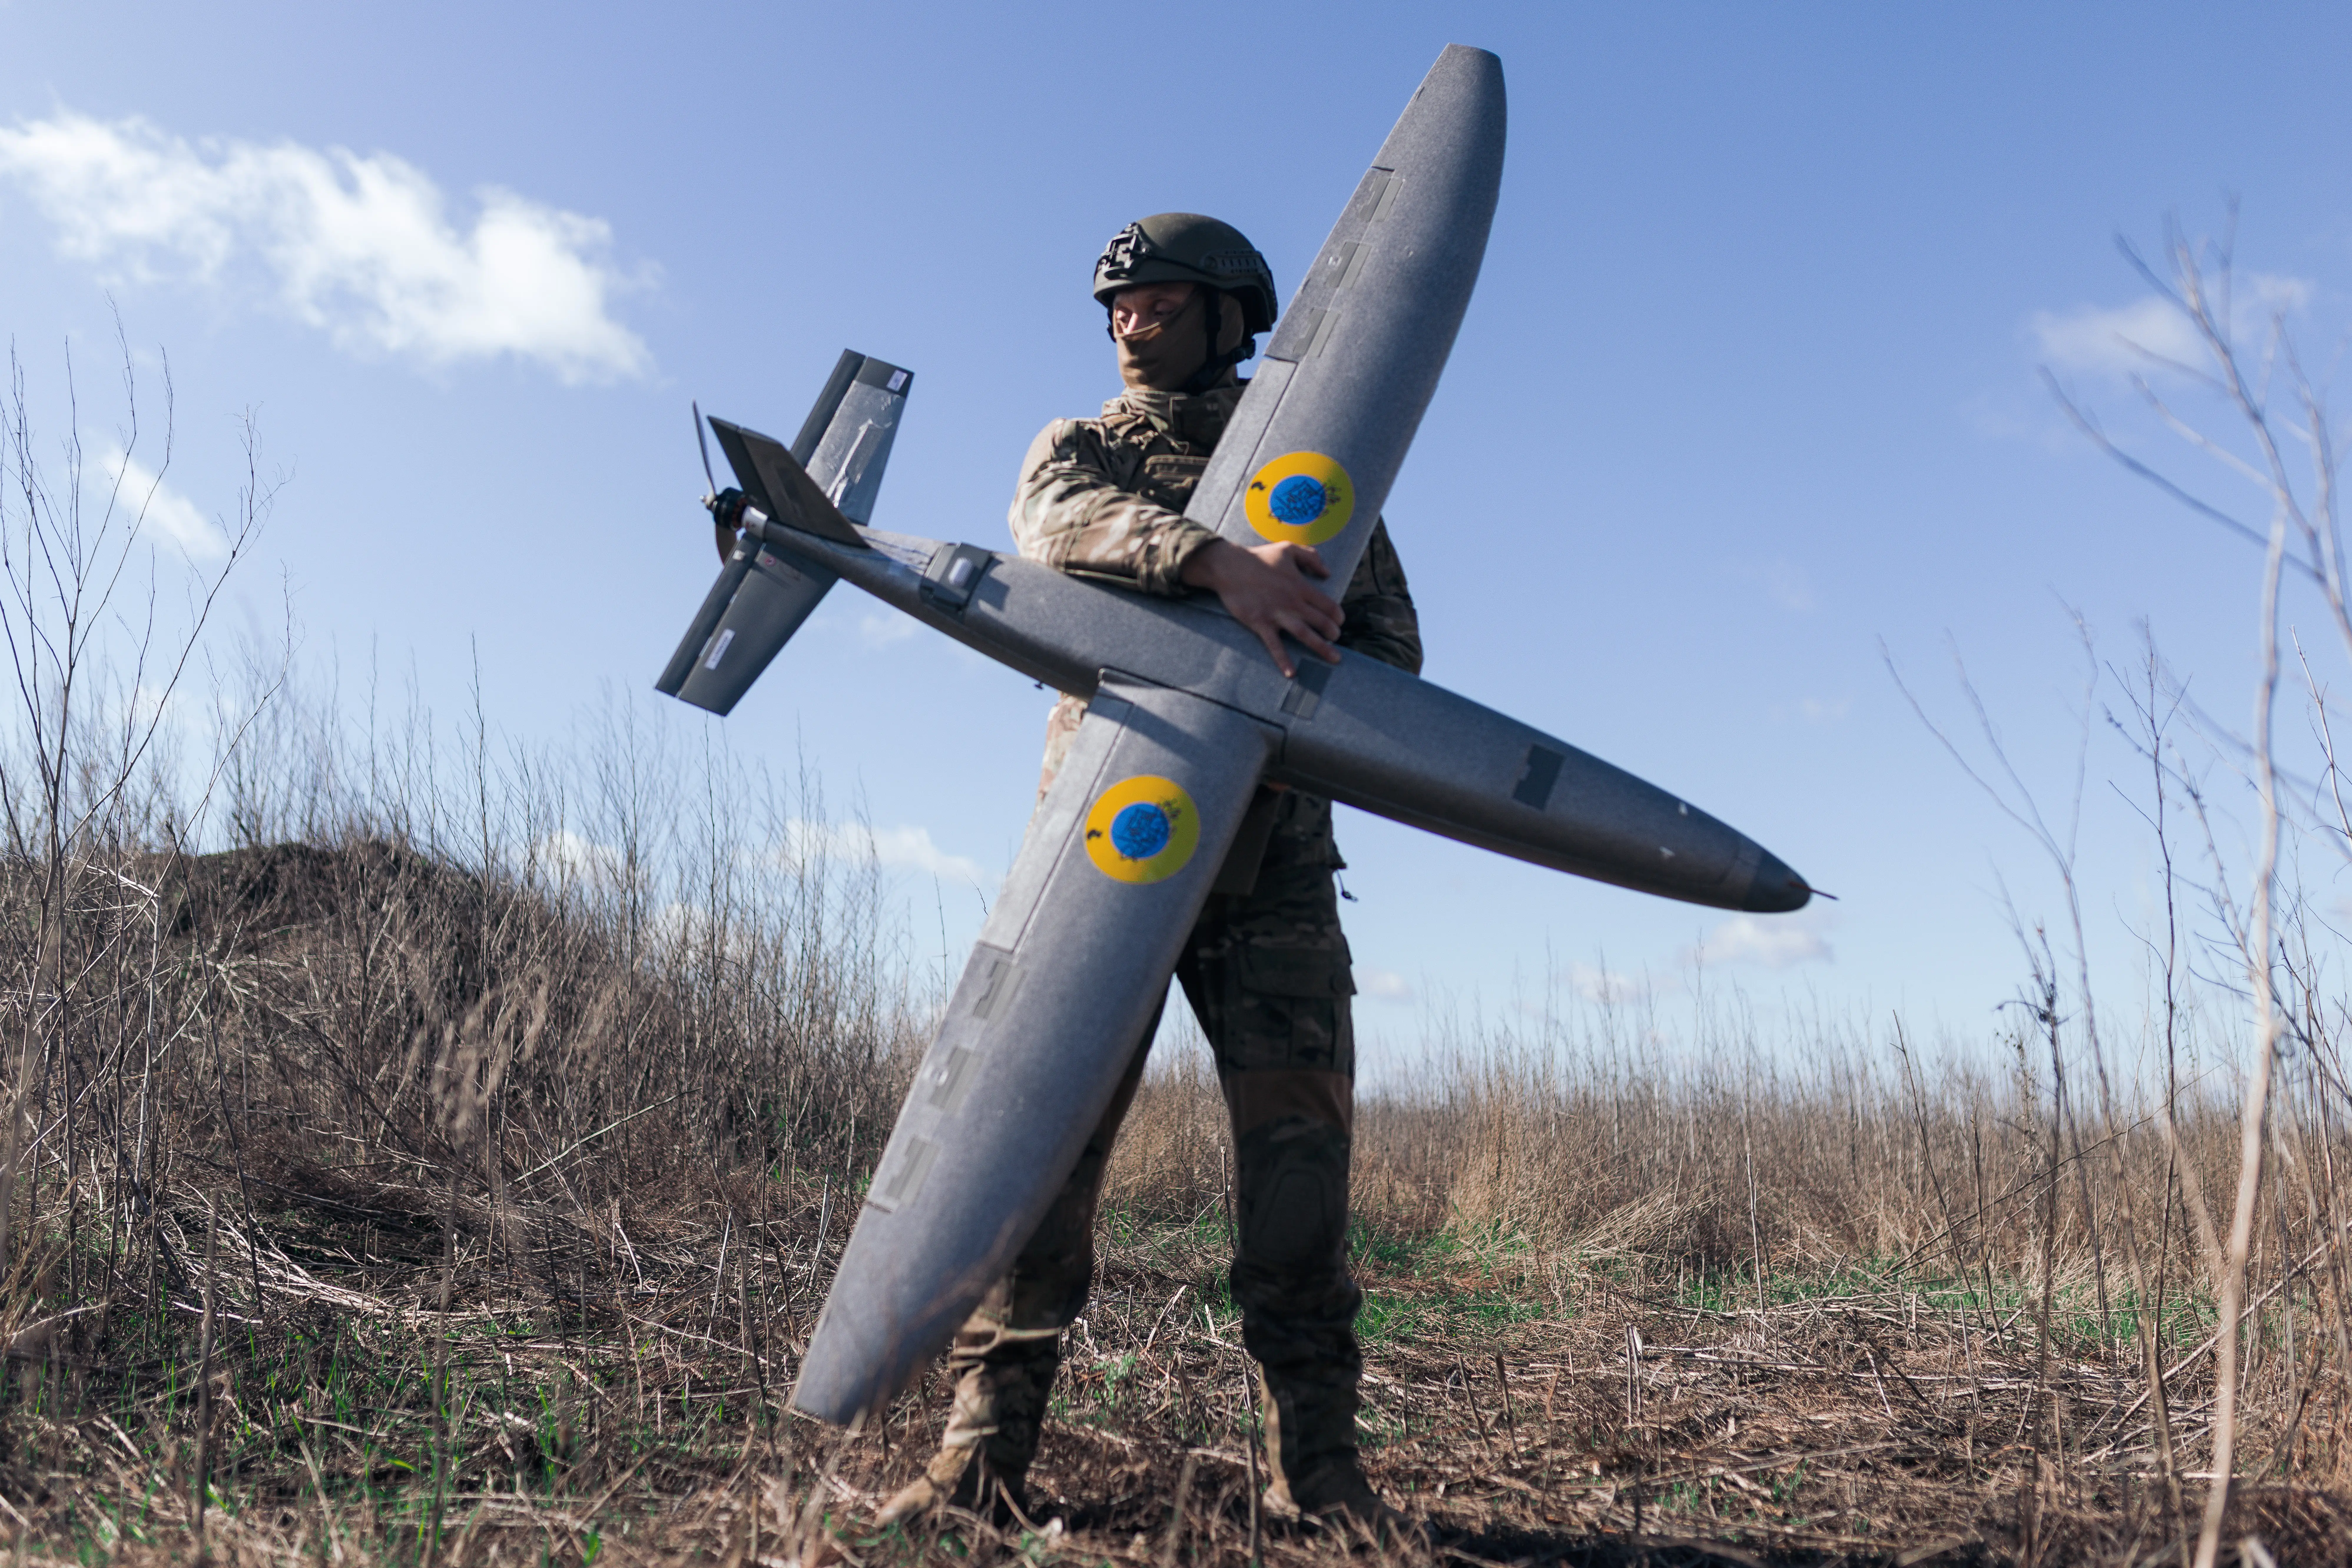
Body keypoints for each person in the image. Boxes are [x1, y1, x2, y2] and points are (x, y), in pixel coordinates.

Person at [877, 213, 1421, 1535]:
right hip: (1107, 849)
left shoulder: (1317, 478)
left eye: (1161, 299)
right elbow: (1052, 525)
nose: (1130, 320)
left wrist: (1311, 656)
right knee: (1036, 1161)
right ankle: (979, 1458)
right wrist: (1215, 565)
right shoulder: (1084, 448)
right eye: (1117, 303)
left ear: (1232, 312)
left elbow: (1395, 664)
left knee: (1298, 1180)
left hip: (1274, 870)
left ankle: (1322, 1466)